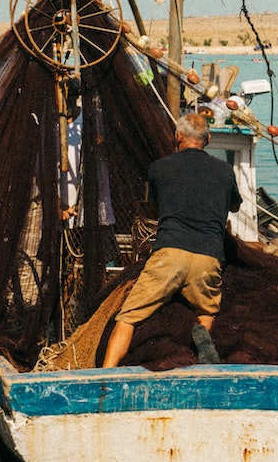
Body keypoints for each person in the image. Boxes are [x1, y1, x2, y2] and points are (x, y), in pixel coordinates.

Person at [102, 112, 242, 367]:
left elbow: (156, 210)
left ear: (178, 137)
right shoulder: (224, 171)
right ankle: (203, 341)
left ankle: (105, 374)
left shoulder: (159, 168)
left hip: (169, 255)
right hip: (208, 257)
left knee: (128, 317)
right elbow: (234, 206)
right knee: (206, 310)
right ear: (208, 139)